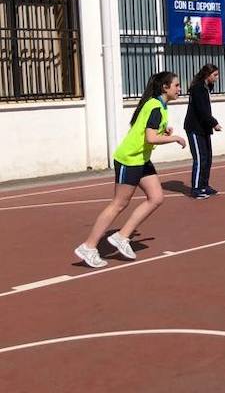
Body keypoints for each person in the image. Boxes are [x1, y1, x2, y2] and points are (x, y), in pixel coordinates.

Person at [74, 72, 186, 268]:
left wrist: (164, 130)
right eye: (176, 85)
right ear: (165, 88)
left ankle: (122, 236)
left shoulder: (159, 105)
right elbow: (150, 138)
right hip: (129, 159)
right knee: (119, 204)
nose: (179, 89)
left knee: (156, 198)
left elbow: (146, 131)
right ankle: (89, 246)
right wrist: (174, 138)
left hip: (142, 159)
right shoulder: (155, 107)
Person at [184, 64, 222, 199]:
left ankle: (204, 185)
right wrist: (214, 123)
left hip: (203, 128)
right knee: (200, 159)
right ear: (207, 75)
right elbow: (201, 111)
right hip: (194, 128)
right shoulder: (198, 88)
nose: (217, 78)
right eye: (215, 75)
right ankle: (196, 188)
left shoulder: (206, 87)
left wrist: (210, 124)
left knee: (208, 158)